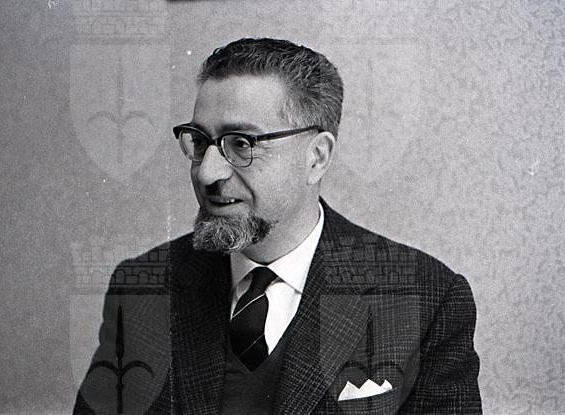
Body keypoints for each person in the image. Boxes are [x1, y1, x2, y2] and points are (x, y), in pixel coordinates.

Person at [74, 37, 482, 414]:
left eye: (242, 143)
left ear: (316, 158)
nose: (207, 173)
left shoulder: (425, 297)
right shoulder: (144, 288)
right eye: (199, 142)